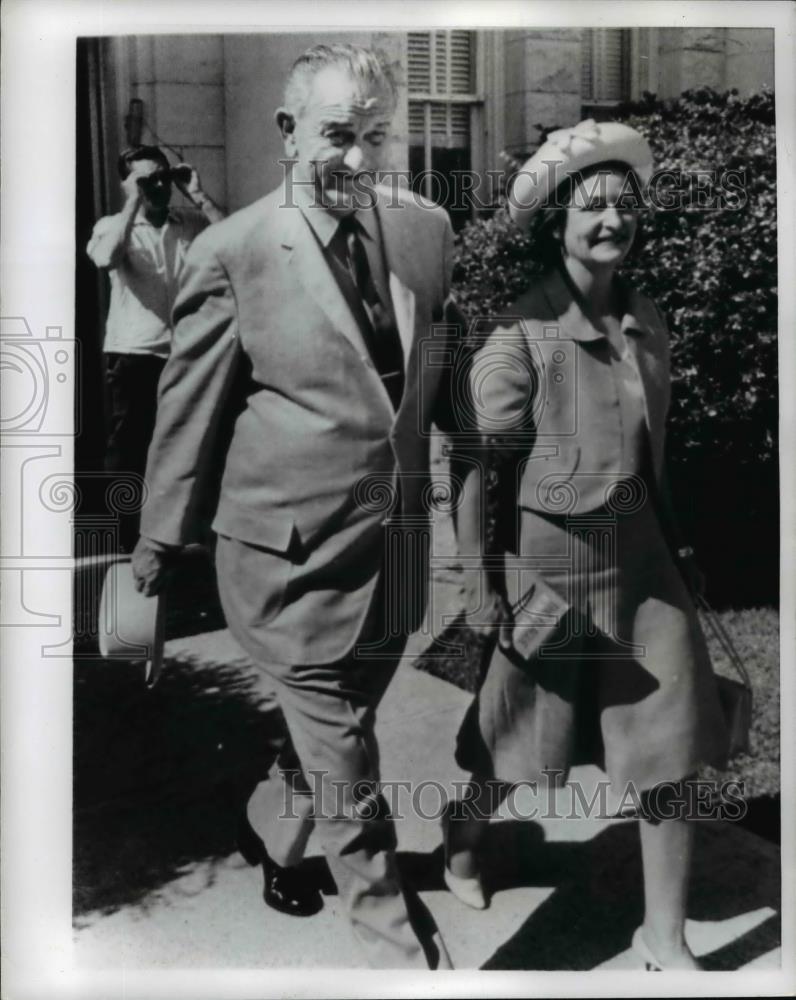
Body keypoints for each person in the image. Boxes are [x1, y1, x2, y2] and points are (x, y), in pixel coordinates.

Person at [131, 44, 461, 969]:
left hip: (396, 545)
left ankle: (272, 831)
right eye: (336, 135)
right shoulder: (232, 249)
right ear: (287, 132)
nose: (358, 160)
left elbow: (436, 375)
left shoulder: (427, 229)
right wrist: (160, 538)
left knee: (337, 731)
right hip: (287, 553)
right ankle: (393, 942)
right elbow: (189, 405)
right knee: (348, 748)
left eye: (375, 136)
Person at [444, 119, 729, 970]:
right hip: (554, 574)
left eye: (623, 205)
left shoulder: (648, 320)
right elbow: (472, 463)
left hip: (643, 567)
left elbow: (652, 454)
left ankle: (665, 936)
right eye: (591, 205)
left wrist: (679, 547)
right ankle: (462, 839)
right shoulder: (519, 332)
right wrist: (478, 576)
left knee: (670, 746)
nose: (612, 219)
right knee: (521, 742)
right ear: (556, 223)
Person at [87, 145, 224, 550]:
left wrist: (197, 193)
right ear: (127, 183)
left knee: (186, 444)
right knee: (131, 448)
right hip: (135, 354)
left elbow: (237, 242)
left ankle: (181, 533)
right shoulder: (112, 226)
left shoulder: (190, 223)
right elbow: (107, 258)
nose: (159, 187)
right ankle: (125, 540)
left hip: (183, 354)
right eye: (148, 181)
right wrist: (133, 201)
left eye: (164, 177)